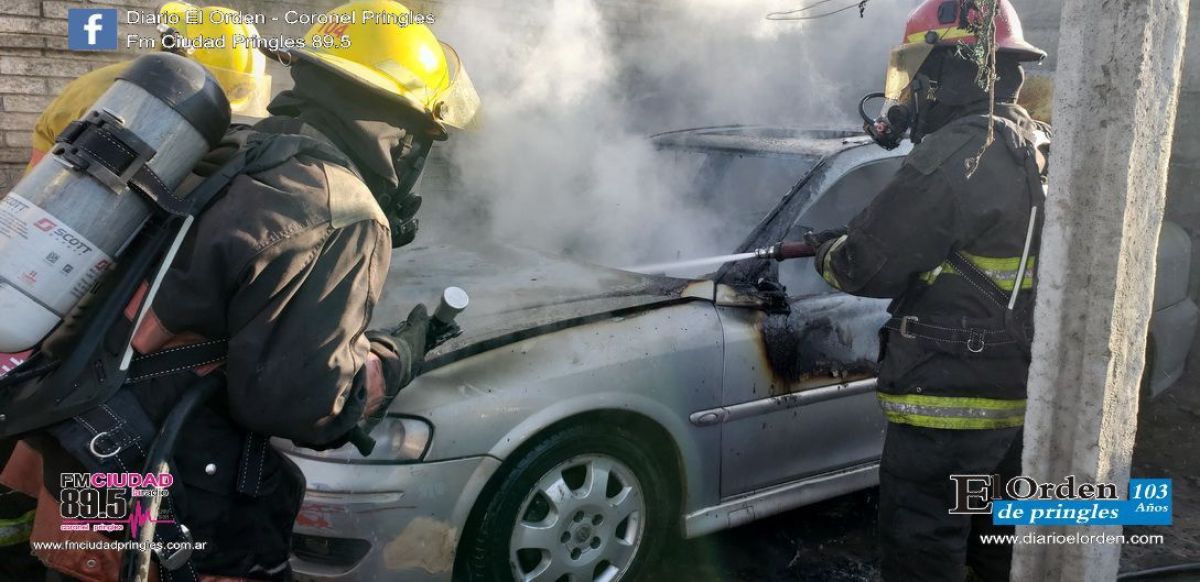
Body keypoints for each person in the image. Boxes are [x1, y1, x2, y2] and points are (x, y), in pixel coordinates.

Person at [0, 1, 478, 579]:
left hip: (84, 466)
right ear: (405, 134)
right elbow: (303, 405)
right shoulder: (341, 209)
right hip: (166, 512)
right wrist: (394, 358)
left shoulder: (232, 153)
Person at [0, 4, 270, 577]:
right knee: (75, 417)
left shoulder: (110, 91)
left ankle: (42, 534)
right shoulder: (125, 100)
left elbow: (40, 192)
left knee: (56, 416)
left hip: (72, 280)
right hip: (100, 286)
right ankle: (62, 543)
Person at [809, 1, 1047, 580]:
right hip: (1020, 401)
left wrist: (827, 251)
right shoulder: (1037, 143)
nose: (910, 91)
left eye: (916, 73)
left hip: (948, 408)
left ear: (944, 74)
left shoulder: (956, 155)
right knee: (997, 545)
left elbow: (862, 268)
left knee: (923, 546)